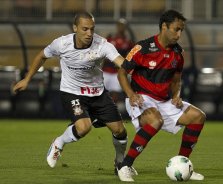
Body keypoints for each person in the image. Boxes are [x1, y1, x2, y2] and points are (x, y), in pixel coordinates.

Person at [12, 12, 137, 174]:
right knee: (84, 128)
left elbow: (122, 63)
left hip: (98, 94)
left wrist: (137, 72)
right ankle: (59, 143)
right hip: (72, 93)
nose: (89, 33)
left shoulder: (102, 44)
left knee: (120, 130)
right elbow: (41, 56)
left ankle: (120, 163)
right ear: (75, 28)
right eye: (85, 29)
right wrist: (27, 79)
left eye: (92, 29)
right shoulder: (62, 44)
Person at [116, 10, 206, 182]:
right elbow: (122, 73)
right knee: (155, 121)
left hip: (164, 101)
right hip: (141, 97)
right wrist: (131, 94)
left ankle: (183, 164)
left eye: (181, 30)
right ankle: (125, 165)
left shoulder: (178, 53)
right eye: (176, 29)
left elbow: (176, 79)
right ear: (164, 26)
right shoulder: (142, 48)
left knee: (198, 117)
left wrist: (176, 96)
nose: (179, 34)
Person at [102, 18, 134, 111]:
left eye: (122, 25)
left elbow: (132, 54)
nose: (121, 27)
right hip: (106, 71)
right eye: (119, 25)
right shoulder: (110, 38)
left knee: (115, 94)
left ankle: (111, 111)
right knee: (101, 92)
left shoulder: (128, 41)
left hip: (117, 72)